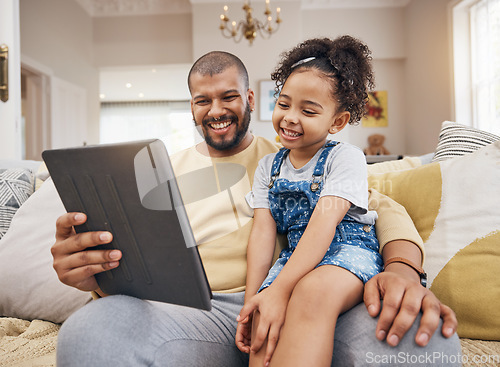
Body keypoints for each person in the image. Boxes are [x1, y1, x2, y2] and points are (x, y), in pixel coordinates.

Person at [53, 49, 460, 366]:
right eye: (202, 101)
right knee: (89, 335)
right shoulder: (154, 174)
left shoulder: (295, 155)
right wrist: (92, 275)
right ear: (191, 106)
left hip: (291, 303)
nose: (216, 111)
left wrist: (403, 271)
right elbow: (131, 267)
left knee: (423, 341)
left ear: (249, 98)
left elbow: (380, 210)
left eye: (228, 96)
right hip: (187, 315)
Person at [235, 36, 384, 367]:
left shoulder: (345, 158)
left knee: (312, 292)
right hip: (293, 257)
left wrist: (282, 288)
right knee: (263, 315)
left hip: (346, 250)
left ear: (337, 121)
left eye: (308, 110)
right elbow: (262, 234)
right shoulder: (267, 168)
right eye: (284, 104)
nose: (289, 117)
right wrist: (253, 299)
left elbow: (324, 224)